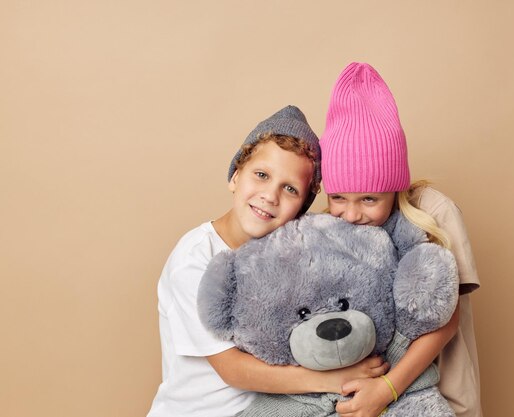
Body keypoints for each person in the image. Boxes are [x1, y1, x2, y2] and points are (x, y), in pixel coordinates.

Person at [147, 105, 389, 417]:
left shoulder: (290, 252)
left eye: (290, 189)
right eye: (261, 175)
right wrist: (331, 380)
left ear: (301, 209)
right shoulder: (195, 257)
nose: (270, 196)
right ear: (235, 176)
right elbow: (232, 370)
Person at [319, 63, 483, 417]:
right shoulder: (328, 229)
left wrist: (386, 389)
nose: (351, 214)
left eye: (369, 199)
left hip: (438, 393)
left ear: (394, 186)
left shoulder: (434, 212)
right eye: (338, 197)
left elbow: (447, 321)